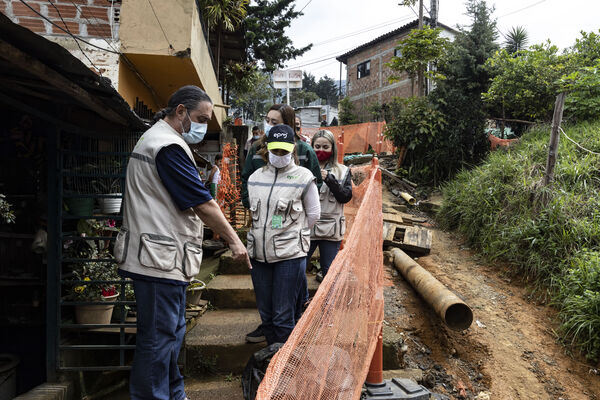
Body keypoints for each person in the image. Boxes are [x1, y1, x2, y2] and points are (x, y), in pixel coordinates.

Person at [115, 85, 250, 400]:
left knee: (170, 335)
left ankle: (173, 393)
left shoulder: (161, 141)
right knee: (159, 339)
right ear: (180, 112)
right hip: (157, 260)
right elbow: (202, 203)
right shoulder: (167, 146)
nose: (203, 125)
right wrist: (234, 240)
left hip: (160, 259)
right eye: (201, 118)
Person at [241, 104, 322, 343]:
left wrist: (292, 234)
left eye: (283, 150)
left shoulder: (304, 177)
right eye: (274, 150)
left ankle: (283, 369)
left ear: (292, 149)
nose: (279, 154)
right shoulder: (255, 178)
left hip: (289, 255)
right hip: (258, 253)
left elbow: (313, 215)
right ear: (266, 149)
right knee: (266, 313)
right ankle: (269, 361)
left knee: (283, 315)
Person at [308, 130, 352, 282]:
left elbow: (345, 197)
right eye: (317, 146)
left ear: (332, 148)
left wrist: (330, 180)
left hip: (332, 230)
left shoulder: (343, 171)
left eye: (325, 147)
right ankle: (302, 301)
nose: (321, 150)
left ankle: (328, 304)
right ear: (311, 146)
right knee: (297, 268)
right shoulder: (303, 169)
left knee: (329, 271)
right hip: (307, 228)